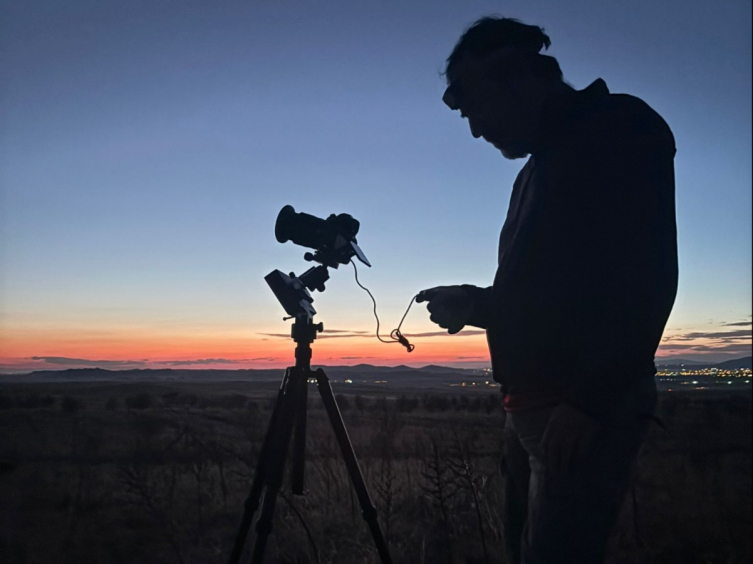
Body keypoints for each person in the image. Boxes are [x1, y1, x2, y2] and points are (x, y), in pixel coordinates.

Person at [417, 16, 678, 564]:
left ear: (517, 79)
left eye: (475, 109)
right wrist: (476, 302)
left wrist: (589, 400)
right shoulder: (534, 170)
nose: (474, 130)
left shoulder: (621, 128)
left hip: (579, 412)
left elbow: (646, 277)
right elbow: (547, 297)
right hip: (531, 409)